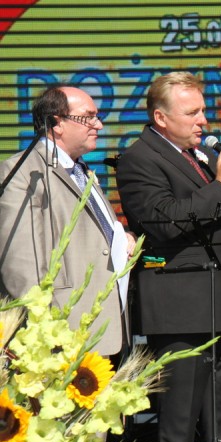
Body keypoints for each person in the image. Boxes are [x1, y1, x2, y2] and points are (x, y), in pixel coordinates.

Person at [116, 72, 221, 442]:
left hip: (220, 299)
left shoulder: (195, 155)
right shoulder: (139, 159)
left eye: (203, 110)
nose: (203, 120)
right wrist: (219, 185)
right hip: (177, 304)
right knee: (179, 417)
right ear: (161, 116)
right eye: (191, 112)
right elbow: (164, 220)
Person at [0, 85, 135, 357]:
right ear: (57, 123)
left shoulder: (80, 170)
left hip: (103, 327)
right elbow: (20, 265)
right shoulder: (24, 172)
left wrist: (122, 240)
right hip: (61, 335)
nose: (98, 124)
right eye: (88, 117)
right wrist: (46, 330)